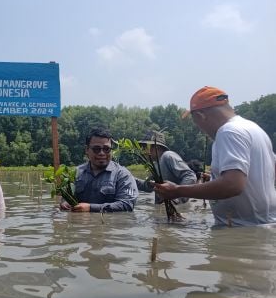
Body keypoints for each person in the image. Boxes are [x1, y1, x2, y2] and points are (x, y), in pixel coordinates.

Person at [155, 86, 276, 226]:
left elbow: (232, 185)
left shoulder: (228, 132)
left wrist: (177, 190)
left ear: (201, 116)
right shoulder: (254, 128)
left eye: (196, 122)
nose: (200, 129)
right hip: (263, 225)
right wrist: (216, 178)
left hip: (241, 231)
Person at [61, 128, 138, 212]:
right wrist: (65, 202)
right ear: (87, 150)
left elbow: (127, 205)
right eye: (96, 149)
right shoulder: (75, 173)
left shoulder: (123, 175)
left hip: (110, 224)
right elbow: (66, 196)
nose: (102, 153)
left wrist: (91, 208)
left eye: (106, 149)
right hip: (80, 224)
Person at [134, 130, 197, 204]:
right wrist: (128, 177)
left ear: (156, 147)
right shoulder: (156, 164)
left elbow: (190, 176)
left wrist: (179, 199)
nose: (142, 151)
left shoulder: (168, 156)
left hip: (174, 208)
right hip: (163, 209)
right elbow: (147, 186)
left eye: (144, 147)